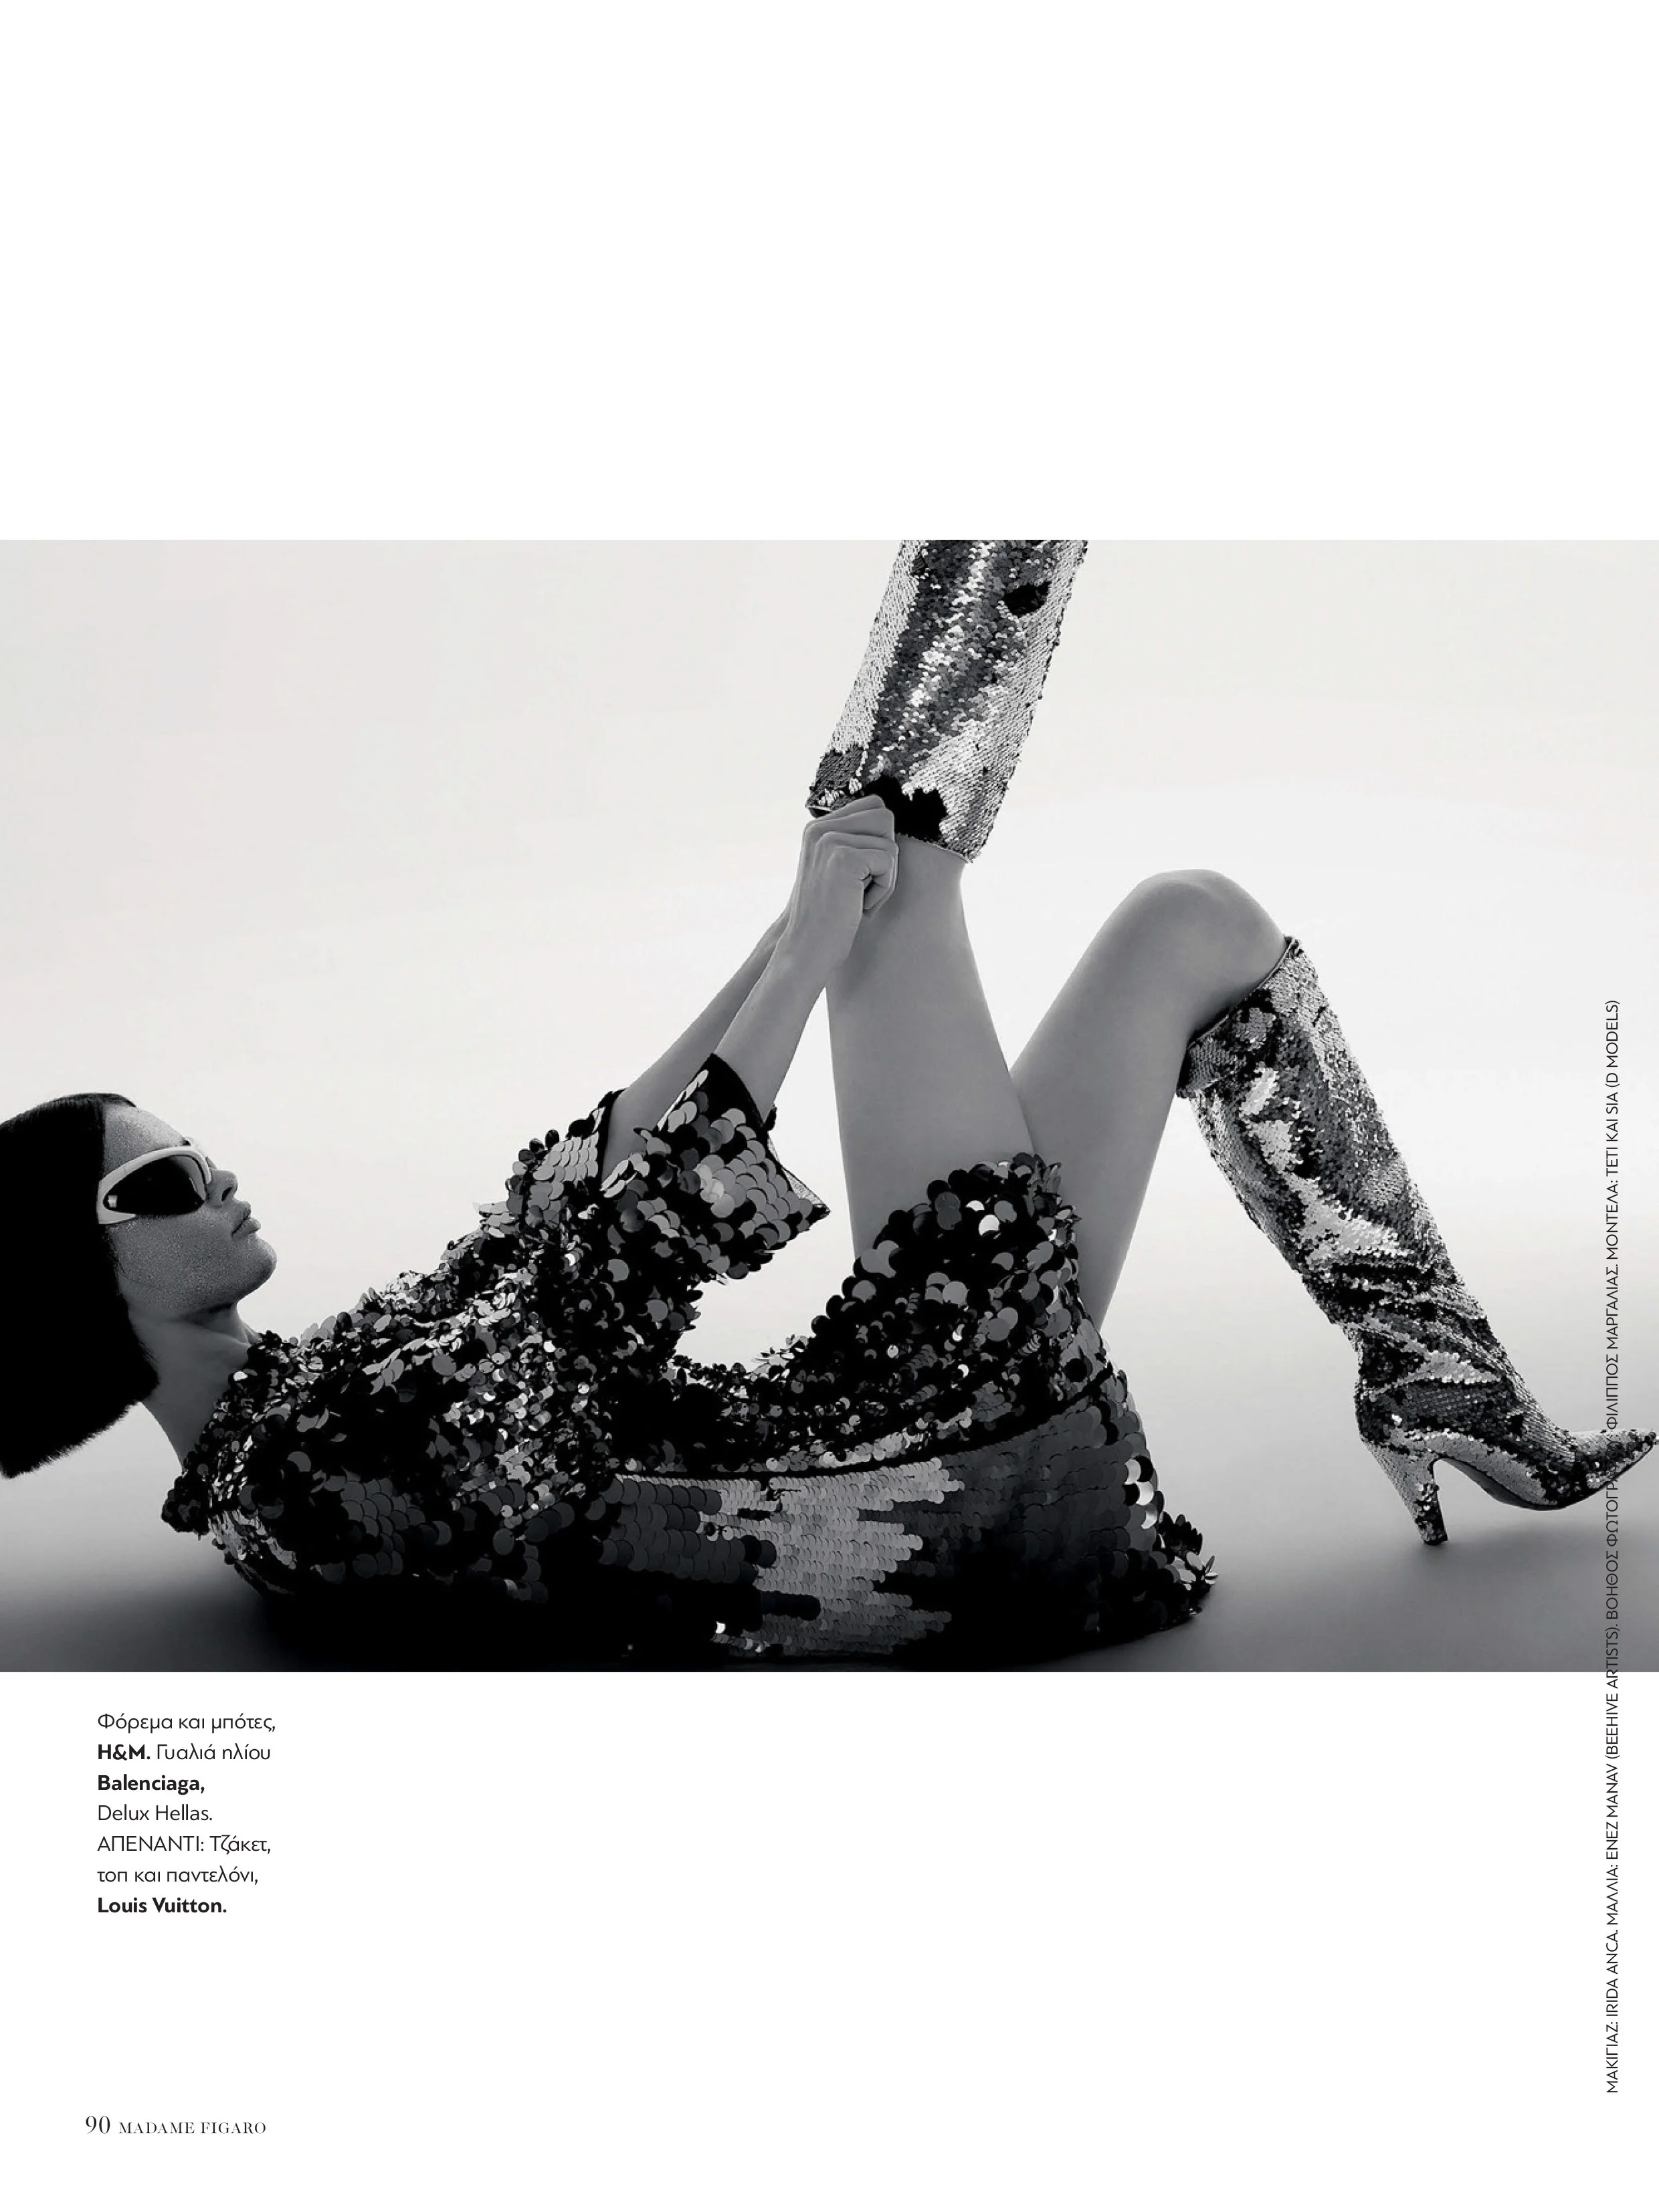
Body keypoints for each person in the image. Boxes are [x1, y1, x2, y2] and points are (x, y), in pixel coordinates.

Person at [1, 544, 1649, 1666]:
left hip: (944, 1426)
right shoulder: (302, 1478)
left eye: (190, 1147)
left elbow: (563, 1204)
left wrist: (784, 938)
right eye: (157, 1188)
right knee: (896, 838)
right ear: (68, 1283)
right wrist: (811, 949)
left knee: (1192, 924)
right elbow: (618, 1270)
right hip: (937, 1480)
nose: (215, 1175)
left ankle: (1437, 1380)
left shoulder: (307, 1394)